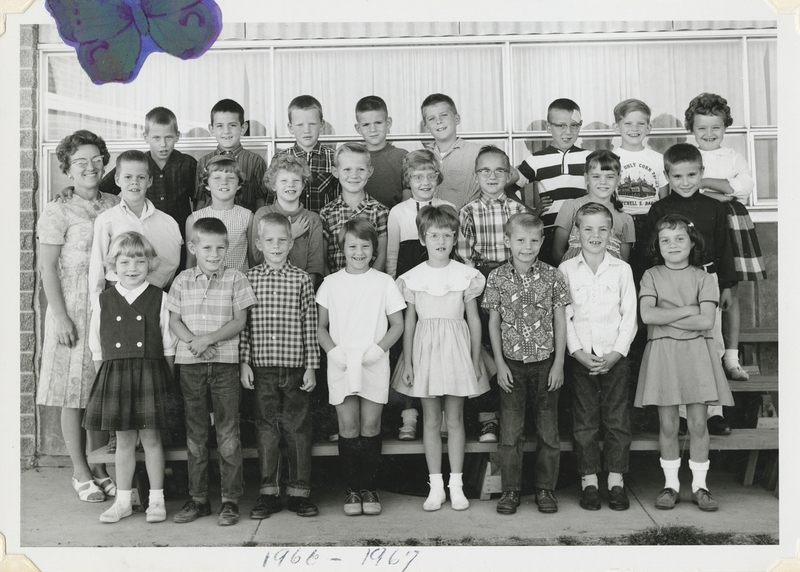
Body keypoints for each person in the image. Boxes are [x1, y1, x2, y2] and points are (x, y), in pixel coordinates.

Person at [37, 130, 120, 503]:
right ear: (68, 170)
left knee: (101, 390)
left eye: (96, 159)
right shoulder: (57, 210)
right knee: (74, 392)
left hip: (107, 308)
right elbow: (48, 268)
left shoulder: (115, 204)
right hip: (70, 308)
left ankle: (100, 465)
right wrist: (61, 316)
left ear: (105, 162)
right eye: (80, 162)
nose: (90, 167)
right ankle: (80, 470)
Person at [635, 214, 734, 511]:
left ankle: (701, 487)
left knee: (698, 423)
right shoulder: (651, 276)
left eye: (680, 239)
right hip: (664, 355)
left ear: (692, 243)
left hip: (697, 355)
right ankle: (670, 486)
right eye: (665, 240)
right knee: (667, 424)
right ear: (657, 245)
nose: (673, 245)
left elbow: (706, 321)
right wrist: (688, 310)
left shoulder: (704, 278)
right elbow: (648, 316)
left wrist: (671, 317)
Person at [392, 205, 488, 511]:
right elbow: (409, 322)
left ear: (455, 238)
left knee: (455, 420)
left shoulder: (466, 276)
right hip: (425, 352)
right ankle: (435, 486)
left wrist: (475, 359)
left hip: (458, 350)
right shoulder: (411, 278)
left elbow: (473, 320)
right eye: (434, 235)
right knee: (431, 420)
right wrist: (407, 361)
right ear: (423, 239)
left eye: (447, 235)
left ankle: (456, 485)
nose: (441, 241)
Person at [166, 217, 258, 526]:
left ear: (228, 248)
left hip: (225, 364)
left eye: (220, 247)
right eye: (207, 247)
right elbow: (175, 321)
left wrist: (209, 339)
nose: (214, 253)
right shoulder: (181, 280)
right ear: (193, 248)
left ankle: (230, 500)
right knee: (196, 434)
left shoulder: (236, 279)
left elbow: (239, 321)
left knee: (228, 433)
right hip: (190, 365)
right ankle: (199, 499)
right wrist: (194, 341)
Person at [82, 232, 178, 524]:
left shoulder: (160, 297)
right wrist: (106, 379)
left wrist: (168, 379)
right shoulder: (103, 300)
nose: (132, 267)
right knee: (123, 441)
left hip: (151, 372)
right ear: (113, 265)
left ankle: (156, 501)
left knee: (151, 438)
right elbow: (96, 344)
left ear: (150, 264)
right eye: (125, 262)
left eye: (139, 261)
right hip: (116, 373)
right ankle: (123, 501)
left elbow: (168, 343)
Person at [645, 143, 736, 436]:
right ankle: (683, 413)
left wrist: (727, 285)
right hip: (672, 283)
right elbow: (654, 251)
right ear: (667, 176)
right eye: (677, 177)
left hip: (707, 280)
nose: (685, 182)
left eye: (692, 175)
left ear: (702, 173)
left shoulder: (715, 207)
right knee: (678, 346)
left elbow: (724, 247)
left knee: (712, 344)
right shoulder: (660, 209)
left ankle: (714, 412)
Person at [316, 219, 406, 516]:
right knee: (348, 427)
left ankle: (369, 488)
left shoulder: (384, 283)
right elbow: (320, 327)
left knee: (370, 426)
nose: (358, 252)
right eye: (352, 246)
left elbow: (397, 325)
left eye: (365, 246)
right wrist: (334, 353)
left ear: (373, 249)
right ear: (342, 249)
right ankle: (352, 490)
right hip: (341, 361)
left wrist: (377, 350)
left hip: (373, 361)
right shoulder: (331, 283)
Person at [484, 213, 570, 515]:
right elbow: (493, 324)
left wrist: (559, 362)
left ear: (542, 241)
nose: (527, 246)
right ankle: (510, 490)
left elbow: (560, 320)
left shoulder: (553, 275)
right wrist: (500, 364)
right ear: (507, 241)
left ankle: (546, 489)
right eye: (520, 240)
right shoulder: (497, 277)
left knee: (548, 430)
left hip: (546, 362)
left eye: (534, 240)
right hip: (512, 364)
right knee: (511, 432)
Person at [241, 213, 321, 519]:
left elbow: (309, 324)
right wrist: (244, 362)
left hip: (294, 367)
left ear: (291, 243)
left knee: (297, 428)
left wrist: (311, 367)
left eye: (282, 240)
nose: (276, 246)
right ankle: (269, 493)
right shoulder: (248, 278)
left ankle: (299, 492)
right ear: (259, 244)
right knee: (266, 428)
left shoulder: (301, 279)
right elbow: (244, 325)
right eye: (269, 240)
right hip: (261, 367)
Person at [558, 203, 638, 511]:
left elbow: (629, 315)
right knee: (585, 421)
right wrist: (576, 352)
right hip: (581, 357)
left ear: (612, 234)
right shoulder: (566, 270)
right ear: (576, 233)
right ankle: (589, 481)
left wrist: (617, 353)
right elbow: (565, 316)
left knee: (617, 420)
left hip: (614, 355)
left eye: (602, 229)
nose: (595, 235)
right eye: (588, 229)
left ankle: (615, 481)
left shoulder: (622, 269)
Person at [684, 92, 767, 381]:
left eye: (715, 127)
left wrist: (705, 183)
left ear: (725, 127)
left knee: (729, 289)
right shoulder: (686, 153)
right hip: (696, 224)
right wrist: (722, 191)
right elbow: (681, 188)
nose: (709, 134)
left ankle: (730, 358)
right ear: (692, 129)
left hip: (730, 224)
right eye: (701, 128)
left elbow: (744, 186)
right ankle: (700, 354)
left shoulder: (733, 156)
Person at [458, 145, 530, 443]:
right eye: (485, 170)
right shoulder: (467, 211)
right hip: (481, 279)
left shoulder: (519, 210)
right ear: (476, 175)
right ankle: (488, 419)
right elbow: (464, 255)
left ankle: (515, 419)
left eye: (499, 170)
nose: (492, 176)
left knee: (514, 347)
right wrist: (482, 281)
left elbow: (526, 250)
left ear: (509, 174)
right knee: (485, 346)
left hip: (514, 278)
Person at [386, 150, 454, 440]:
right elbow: (392, 256)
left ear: (438, 177)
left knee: (439, 345)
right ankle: (409, 415)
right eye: (417, 176)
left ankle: (438, 416)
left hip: (441, 283)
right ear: (408, 180)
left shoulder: (448, 207)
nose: (424, 181)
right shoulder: (398, 212)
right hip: (409, 282)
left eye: (430, 175)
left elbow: (457, 248)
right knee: (409, 347)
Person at [89, 150, 183, 298]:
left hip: (156, 298)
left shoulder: (168, 222)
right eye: (128, 177)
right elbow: (97, 268)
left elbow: (172, 264)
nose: (134, 182)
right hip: (117, 298)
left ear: (150, 181)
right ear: (117, 180)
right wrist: (97, 306)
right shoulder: (107, 220)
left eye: (141, 177)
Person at [510, 98, 590, 266]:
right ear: (548, 127)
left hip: (583, 230)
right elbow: (509, 189)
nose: (568, 132)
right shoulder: (536, 160)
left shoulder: (588, 158)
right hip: (551, 232)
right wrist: (530, 211)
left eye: (574, 125)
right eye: (560, 126)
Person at [100, 107, 196, 245]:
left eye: (168, 137)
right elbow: (102, 190)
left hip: (180, 238)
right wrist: (73, 192)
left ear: (177, 136)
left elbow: (199, 202)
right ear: (146, 137)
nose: (163, 144)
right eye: (156, 138)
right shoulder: (137, 164)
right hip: (145, 239)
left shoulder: (188, 164)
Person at [610, 98, 668, 283]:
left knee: (649, 276)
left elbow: (663, 199)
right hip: (618, 222)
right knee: (621, 275)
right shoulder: (611, 158)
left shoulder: (658, 159)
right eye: (628, 123)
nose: (634, 129)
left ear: (648, 128)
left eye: (640, 124)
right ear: (617, 127)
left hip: (649, 223)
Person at [249, 153, 324, 289]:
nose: (290, 185)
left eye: (296, 181)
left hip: (301, 290)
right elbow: (257, 256)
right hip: (265, 288)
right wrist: (290, 233)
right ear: (273, 185)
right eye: (284, 181)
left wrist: (303, 290)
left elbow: (315, 265)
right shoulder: (262, 214)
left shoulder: (312, 219)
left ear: (303, 185)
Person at [552, 150, 635, 264]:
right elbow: (557, 252)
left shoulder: (626, 219)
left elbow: (624, 263)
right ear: (586, 178)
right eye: (596, 176)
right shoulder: (571, 206)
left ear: (618, 179)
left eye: (610, 177)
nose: (603, 182)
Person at [320, 142, 389, 274]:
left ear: (370, 172)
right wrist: (332, 284)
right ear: (335, 172)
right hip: (337, 287)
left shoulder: (380, 212)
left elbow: (382, 254)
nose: (354, 175)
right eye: (347, 169)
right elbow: (323, 258)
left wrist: (369, 283)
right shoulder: (326, 213)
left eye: (360, 169)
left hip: (370, 288)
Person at [195, 99, 268, 212]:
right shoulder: (204, 162)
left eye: (232, 125)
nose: (226, 131)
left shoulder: (255, 161)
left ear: (243, 128)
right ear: (212, 129)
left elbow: (261, 200)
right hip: (211, 225)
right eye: (220, 126)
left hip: (244, 224)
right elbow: (200, 199)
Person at [270, 95, 337, 213]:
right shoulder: (280, 158)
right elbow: (272, 198)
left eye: (312, 124)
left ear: (321, 125)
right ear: (290, 127)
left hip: (324, 227)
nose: (307, 130)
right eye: (300, 125)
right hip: (288, 226)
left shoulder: (334, 157)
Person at [186, 155, 254, 272]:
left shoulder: (248, 217)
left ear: (239, 185)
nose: (224, 182)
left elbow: (252, 258)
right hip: (205, 285)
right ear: (207, 184)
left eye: (231, 178)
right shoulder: (194, 219)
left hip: (238, 285)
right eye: (217, 178)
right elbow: (191, 261)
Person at [420, 93, 482, 211]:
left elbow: (511, 175)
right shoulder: (422, 157)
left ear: (457, 119)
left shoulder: (477, 152)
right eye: (431, 118)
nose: (439, 121)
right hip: (429, 225)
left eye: (444, 115)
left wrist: (478, 197)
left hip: (464, 223)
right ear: (426, 126)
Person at [355, 95, 408, 210]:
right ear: (358, 128)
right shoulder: (354, 158)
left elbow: (408, 197)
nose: (373, 129)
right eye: (366, 125)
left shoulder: (402, 156)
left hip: (394, 221)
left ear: (388, 123)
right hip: (360, 224)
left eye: (378, 123)